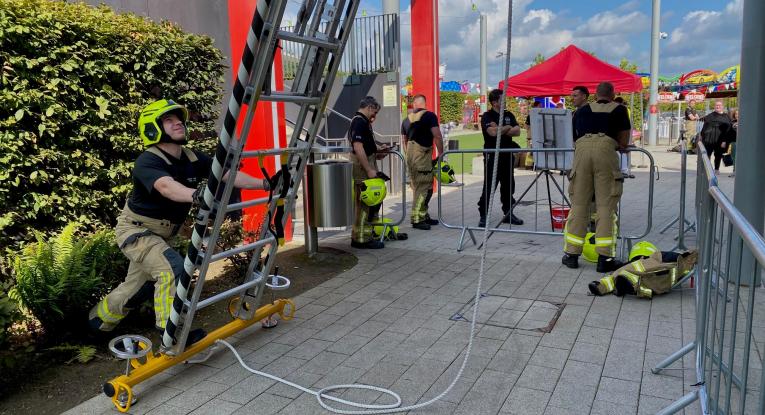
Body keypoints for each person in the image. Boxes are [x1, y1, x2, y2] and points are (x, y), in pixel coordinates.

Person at [88, 99, 271, 342]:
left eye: (178, 119)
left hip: (161, 234)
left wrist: (266, 183)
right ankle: (170, 331)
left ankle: (95, 326)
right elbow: (166, 186)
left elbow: (228, 175)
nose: (178, 124)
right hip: (136, 232)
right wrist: (195, 196)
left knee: (135, 288)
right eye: (168, 120)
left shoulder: (192, 158)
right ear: (152, 128)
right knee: (172, 268)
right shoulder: (148, 160)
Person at [562, 82, 631, 272]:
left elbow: (573, 137)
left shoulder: (582, 111)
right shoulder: (620, 110)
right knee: (605, 206)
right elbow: (624, 142)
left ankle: (572, 255)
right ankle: (605, 259)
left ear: (595, 95)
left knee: (579, 205)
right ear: (613, 94)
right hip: (606, 152)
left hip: (581, 152)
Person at [477, 88, 524, 227]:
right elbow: (492, 133)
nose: (505, 101)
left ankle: (508, 213)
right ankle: (483, 214)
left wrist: (501, 128)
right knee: (490, 185)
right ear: (494, 102)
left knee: (509, 185)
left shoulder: (508, 114)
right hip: (493, 156)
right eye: (502, 99)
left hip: (507, 155)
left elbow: (517, 131)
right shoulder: (487, 116)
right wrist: (507, 127)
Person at [349, 96, 391, 249]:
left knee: (371, 203)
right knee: (364, 204)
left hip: (367, 167)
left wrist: (379, 152)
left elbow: (365, 148)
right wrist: (369, 169)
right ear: (369, 107)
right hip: (363, 170)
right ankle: (361, 239)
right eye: (375, 112)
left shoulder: (362, 122)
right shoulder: (359, 122)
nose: (375, 116)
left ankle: (366, 235)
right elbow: (358, 147)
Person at [401, 94, 443, 230]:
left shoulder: (406, 120)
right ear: (424, 104)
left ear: (414, 105)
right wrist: (442, 154)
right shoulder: (430, 116)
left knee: (420, 187)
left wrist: (409, 155)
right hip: (422, 157)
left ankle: (423, 214)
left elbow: (404, 141)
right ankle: (417, 218)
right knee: (424, 187)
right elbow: (437, 135)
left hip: (411, 157)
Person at [700, 100, 733, 174]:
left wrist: (725, 140)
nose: (717, 106)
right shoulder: (710, 115)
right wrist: (701, 136)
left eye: (719, 105)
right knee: (708, 154)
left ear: (722, 107)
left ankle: (716, 169)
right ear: (714, 107)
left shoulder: (726, 116)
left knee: (718, 154)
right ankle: (707, 170)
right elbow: (705, 127)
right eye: (716, 105)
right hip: (709, 138)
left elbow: (728, 129)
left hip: (721, 139)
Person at [613, 97, 634, 179]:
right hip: (621, 133)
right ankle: (624, 169)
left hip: (621, 133)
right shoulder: (624, 109)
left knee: (622, 151)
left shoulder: (623, 110)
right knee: (621, 152)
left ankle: (624, 170)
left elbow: (625, 124)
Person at [727, 108, 738, 177]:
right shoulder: (732, 122)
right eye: (736, 114)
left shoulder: (746, 122)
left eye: (739, 113)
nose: (737, 115)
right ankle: (734, 171)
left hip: (743, 143)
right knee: (734, 157)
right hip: (734, 142)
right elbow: (729, 133)